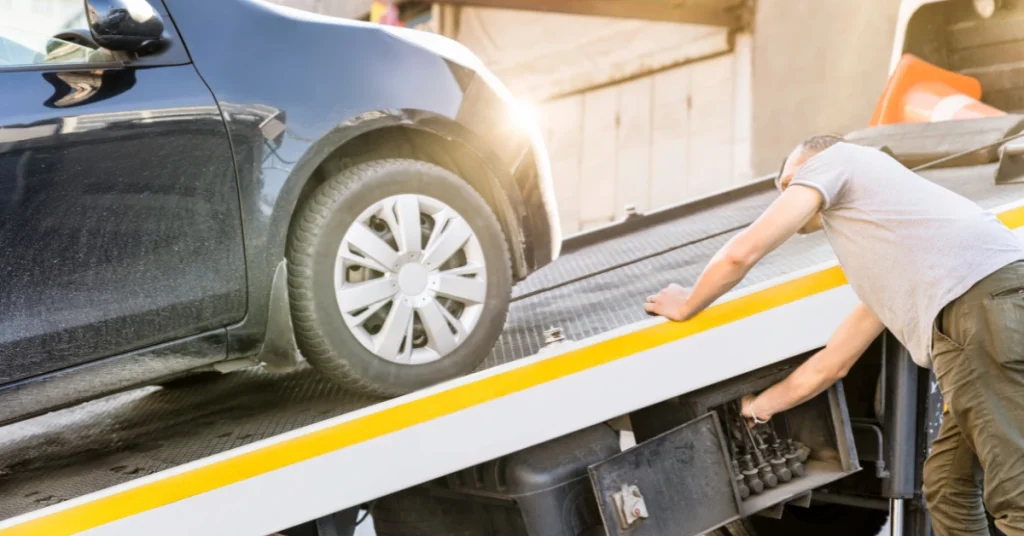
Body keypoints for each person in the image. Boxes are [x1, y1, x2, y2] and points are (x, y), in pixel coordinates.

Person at [644, 135, 1024, 536]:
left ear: (815, 163)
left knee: (1016, 496)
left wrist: (688, 303)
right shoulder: (901, 258)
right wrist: (759, 406)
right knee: (948, 486)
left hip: (982, 313)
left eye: (790, 183)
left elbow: (743, 252)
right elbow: (832, 364)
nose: (784, 194)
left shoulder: (841, 160)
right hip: (987, 316)